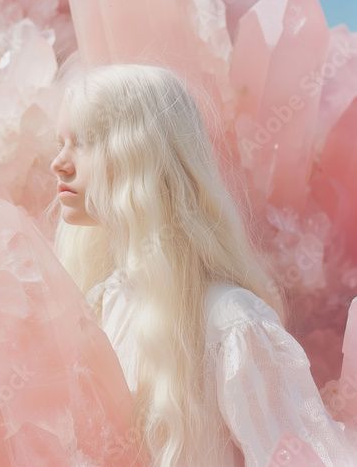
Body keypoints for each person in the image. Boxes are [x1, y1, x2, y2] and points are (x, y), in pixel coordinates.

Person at [48, 63, 357, 466]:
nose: (59, 163)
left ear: (142, 156)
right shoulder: (104, 300)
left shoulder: (232, 323)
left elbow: (303, 457)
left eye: (84, 143)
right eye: (60, 143)